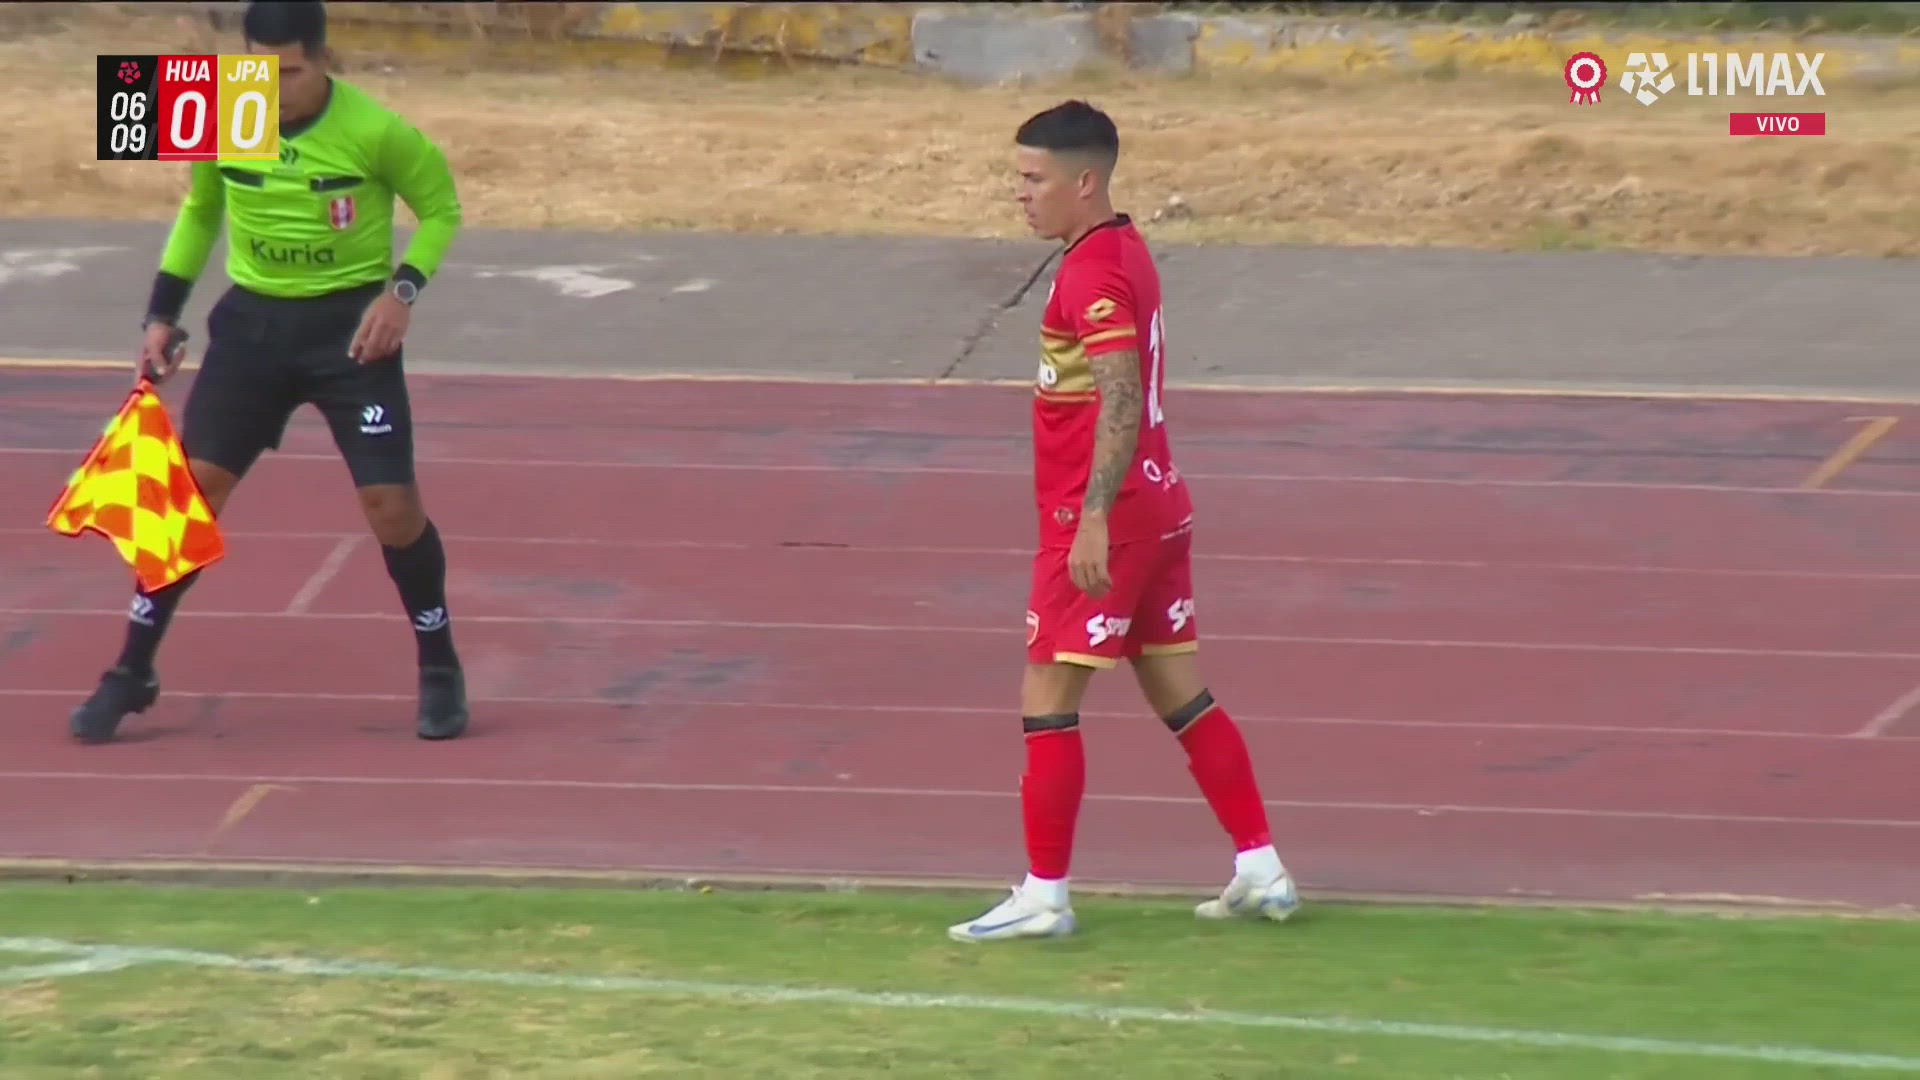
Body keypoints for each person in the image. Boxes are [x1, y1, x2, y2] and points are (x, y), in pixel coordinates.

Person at [69, 0, 469, 744]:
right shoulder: (220, 103)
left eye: (288, 73)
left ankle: (439, 663)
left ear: (322, 60)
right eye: (258, 69)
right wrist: (162, 313)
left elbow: (442, 209)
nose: (271, 89)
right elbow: (200, 210)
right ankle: (131, 671)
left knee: (390, 507)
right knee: (190, 498)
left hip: (351, 335)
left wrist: (402, 292)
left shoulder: (375, 130)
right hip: (252, 331)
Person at [948, 101, 1299, 942]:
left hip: (1109, 517)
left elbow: (1118, 394)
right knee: (1181, 692)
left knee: (1047, 694)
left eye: (1033, 178)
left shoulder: (1090, 276)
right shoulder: (1124, 249)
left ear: (1084, 181)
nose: (1020, 193)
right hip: (1162, 504)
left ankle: (1044, 896)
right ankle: (1261, 867)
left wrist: (1094, 519)